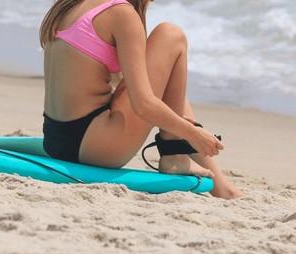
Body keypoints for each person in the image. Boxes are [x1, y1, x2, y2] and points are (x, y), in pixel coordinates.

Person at [39, 0, 243, 199]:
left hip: (56, 140)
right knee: (171, 34)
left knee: (162, 76)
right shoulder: (122, 13)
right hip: (98, 146)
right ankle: (175, 154)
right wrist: (192, 134)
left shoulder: (71, 4)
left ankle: (220, 185)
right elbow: (144, 105)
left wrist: (180, 122)